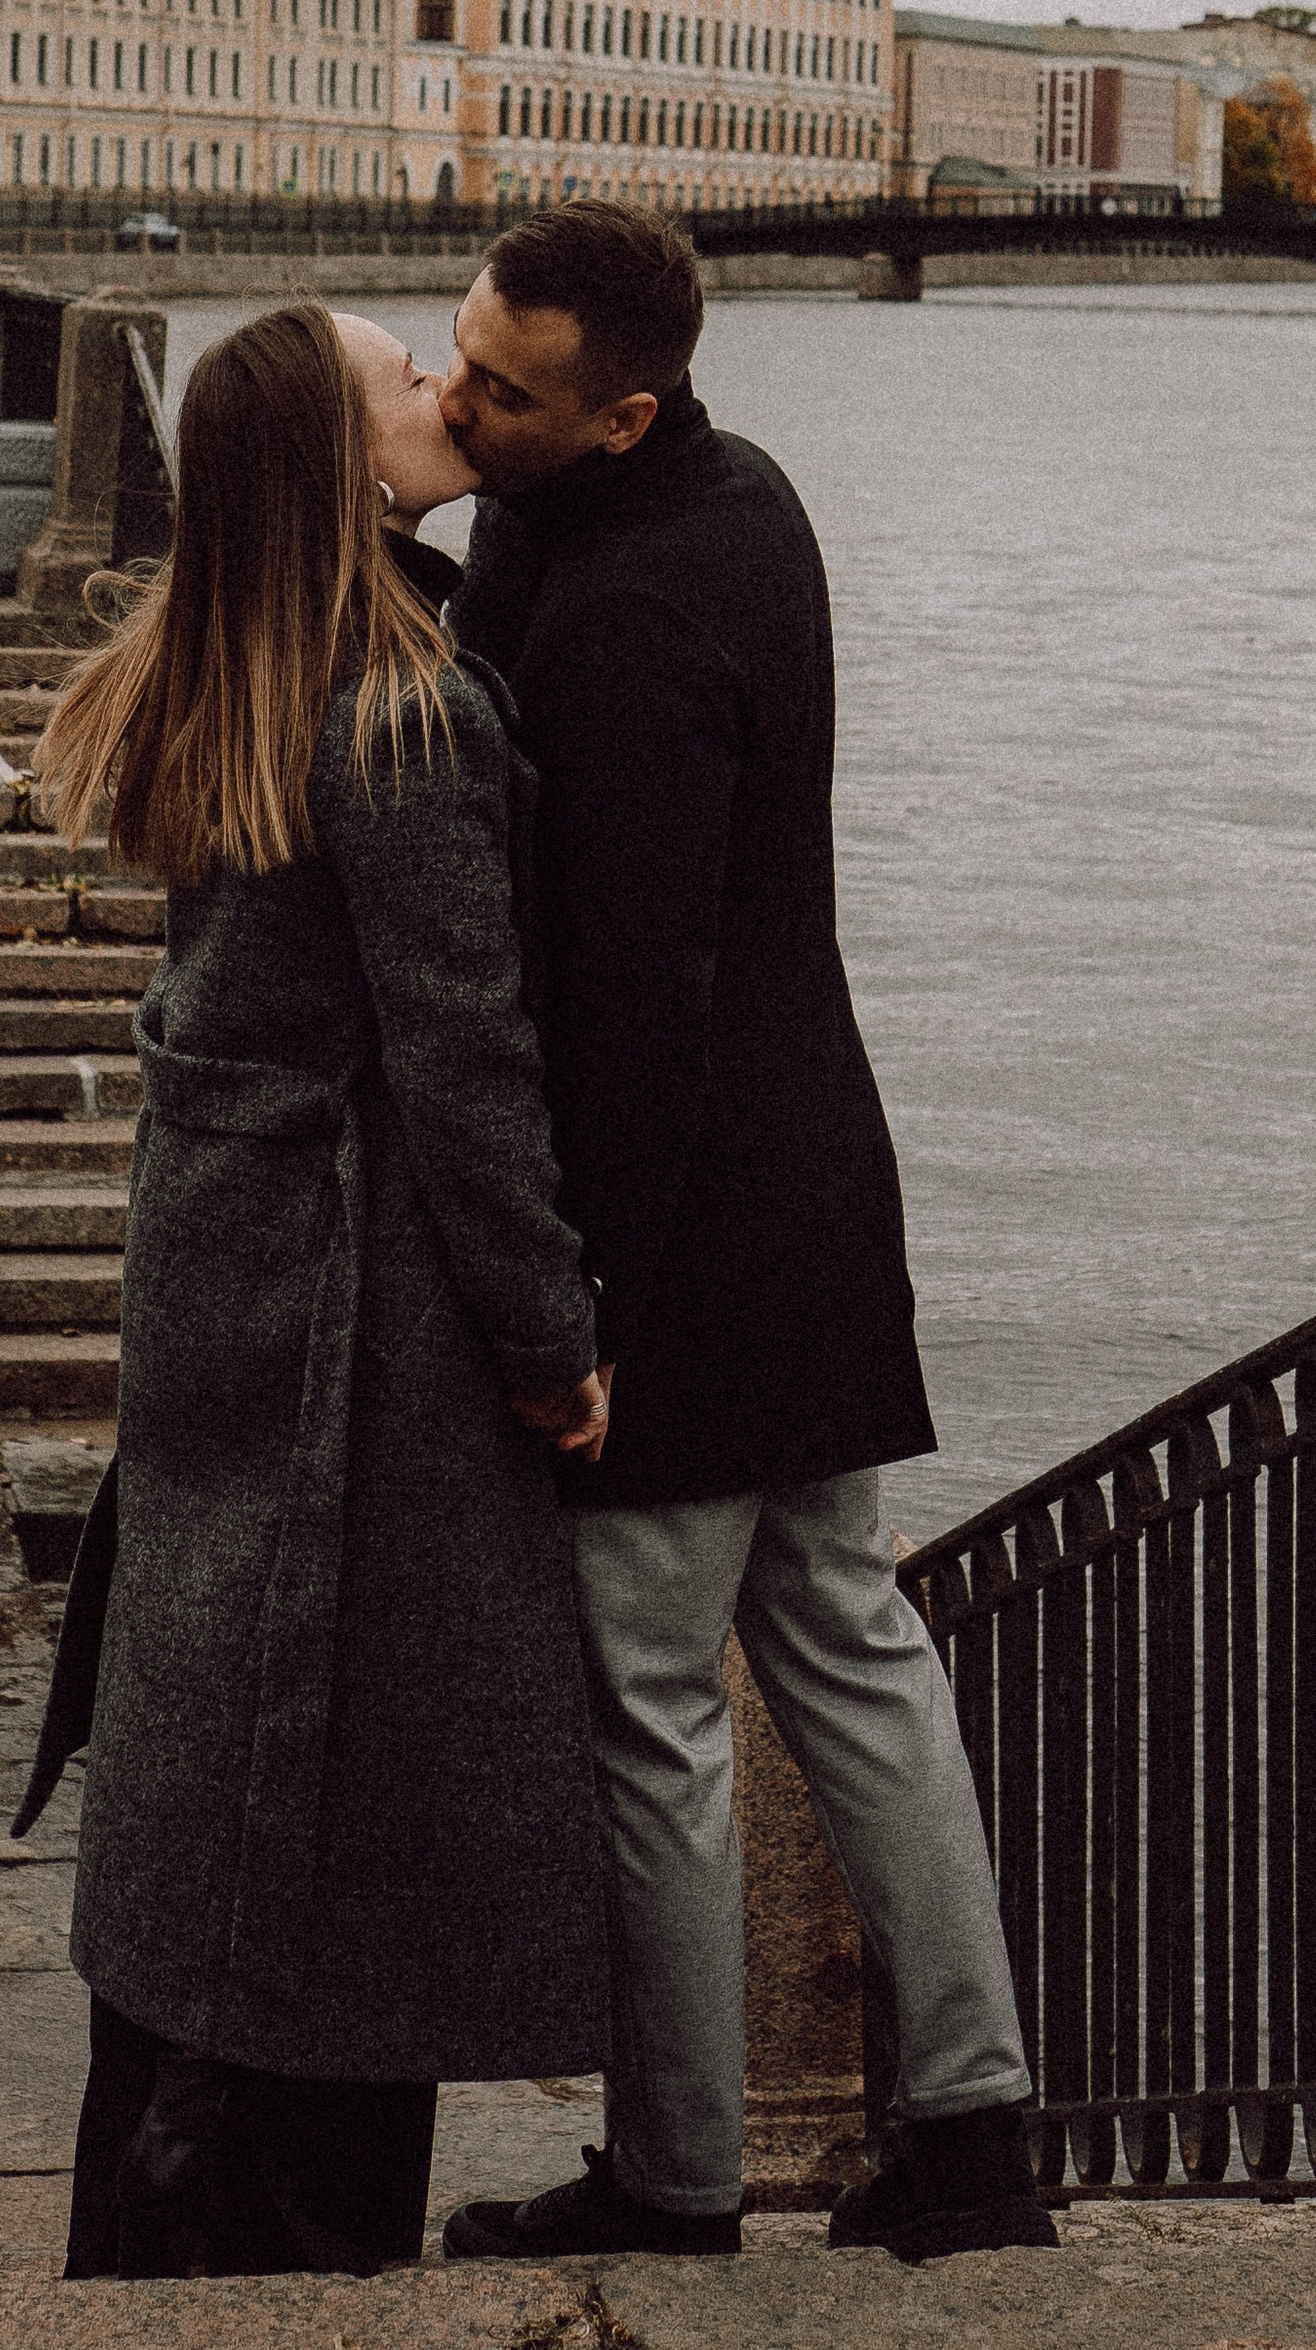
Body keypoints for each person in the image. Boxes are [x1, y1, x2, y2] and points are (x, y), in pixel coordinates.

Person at [431, 201, 1058, 2268]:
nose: (452, 400)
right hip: (815, 1190)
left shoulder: (616, 630)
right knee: (853, 1646)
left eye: (499, 393)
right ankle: (973, 2132)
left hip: (681, 1234)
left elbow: (633, 997)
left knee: (653, 1709)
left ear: (617, 414)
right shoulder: (741, 500)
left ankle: (677, 2177)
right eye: (452, 355)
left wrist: (574, 1312)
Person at [16, 300, 612, 2280]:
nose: (444, 390)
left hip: (221, 1319)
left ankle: (154, 2218)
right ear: (351, 466)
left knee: (208, 1788)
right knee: (334, 1832)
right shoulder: (397, 718)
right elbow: (467, 1074)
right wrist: (554, 1352)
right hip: (357, 1360)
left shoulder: (218, 679)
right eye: (403, 375)